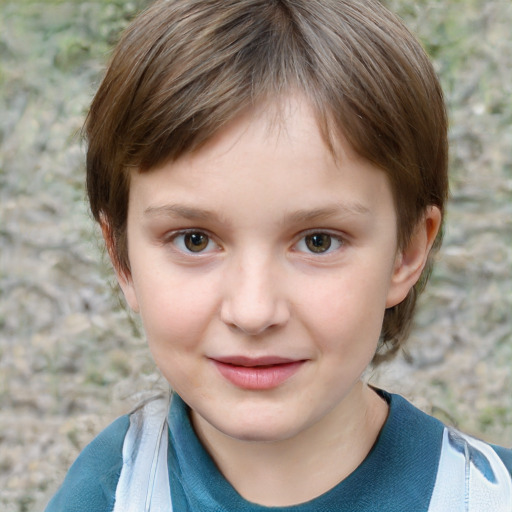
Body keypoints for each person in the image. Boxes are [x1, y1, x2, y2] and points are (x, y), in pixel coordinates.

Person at [45, 0, 512, 510]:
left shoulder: (487, 496)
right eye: (194, 240)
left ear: (407, 251)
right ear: (122, 258)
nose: (253, 311)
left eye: (318, 241)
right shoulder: (108, 492)